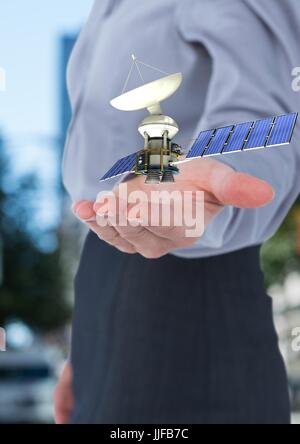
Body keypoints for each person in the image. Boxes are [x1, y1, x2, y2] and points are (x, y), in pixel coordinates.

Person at [54, 0, 300, 424]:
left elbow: (267, 108)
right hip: (109, 280)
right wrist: (88, 349)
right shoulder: (106, 10)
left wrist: (225, 171)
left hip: (189, 290)